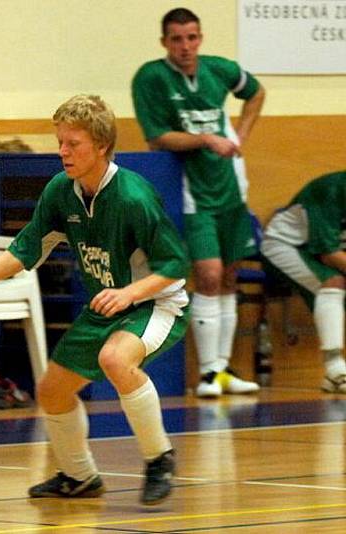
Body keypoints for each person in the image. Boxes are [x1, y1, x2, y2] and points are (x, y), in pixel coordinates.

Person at [0, 94, 190, 505]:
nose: (62, 151)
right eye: (60, 141)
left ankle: (159, 459)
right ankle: (78, 476)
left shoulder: (134, 197)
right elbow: (25, 250)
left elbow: (175, 264)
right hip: (104, 307)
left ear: (101, 146)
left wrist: (128, 293)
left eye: (72, 144)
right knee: (52, 391)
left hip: (154, 302)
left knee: (115, 359)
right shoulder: (62, 191)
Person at [131, 7, 267, 398]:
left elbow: (256, 92)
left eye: (192, 37)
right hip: (191, 191)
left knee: (229, 276)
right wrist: (207, 139)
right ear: (164, 43)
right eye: (177, 39)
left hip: (231, 188)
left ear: (201, 38)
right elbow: (158, 138)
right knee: (206, 275)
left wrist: (239, 134)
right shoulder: (152, 78)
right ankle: (208, 372)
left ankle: (222, 370)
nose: (185, 46)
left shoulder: (219, 69)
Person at [260, 171, 346, 393]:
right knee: (333, 283)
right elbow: (329, 254)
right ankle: (336, 368)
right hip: (283, 245)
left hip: (317, 251)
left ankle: (332, 377)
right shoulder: (332, 190)